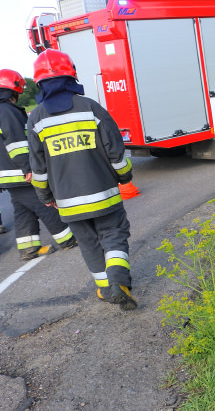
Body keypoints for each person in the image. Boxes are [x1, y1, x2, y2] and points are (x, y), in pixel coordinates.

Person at [27, 50, 137, 310]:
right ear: (71, 75)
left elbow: (38, 169)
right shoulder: (91, 108)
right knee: (113, 234)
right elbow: (115, 151)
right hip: (104, 195)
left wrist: (45, 197)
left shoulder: (36, 119)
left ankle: (105, 290)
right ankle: (119, 281)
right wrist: (125, 176)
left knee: (88, 243)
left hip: (67, 201)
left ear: (39, 82)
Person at [0, 69, 78, 260]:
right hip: (19, 171)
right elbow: (17, 143)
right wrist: (28, 168)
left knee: (23, 210)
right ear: (14, 90)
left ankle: (29, 249)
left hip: (7, 173)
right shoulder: (7, 111)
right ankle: (67, 240)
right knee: (44, 204)